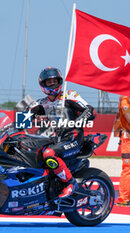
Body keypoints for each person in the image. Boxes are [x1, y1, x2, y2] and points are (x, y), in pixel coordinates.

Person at [31, 67, 96, 199]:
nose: (53, 84)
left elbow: (91, 111)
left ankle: (70, 183)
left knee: (49, 154)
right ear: (43, 85)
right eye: (49, 82)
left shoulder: (70, 95)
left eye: (55, 81)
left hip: (72, 138)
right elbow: (22, 118)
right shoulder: (40, 103)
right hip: (53, 140)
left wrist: (76, 122)